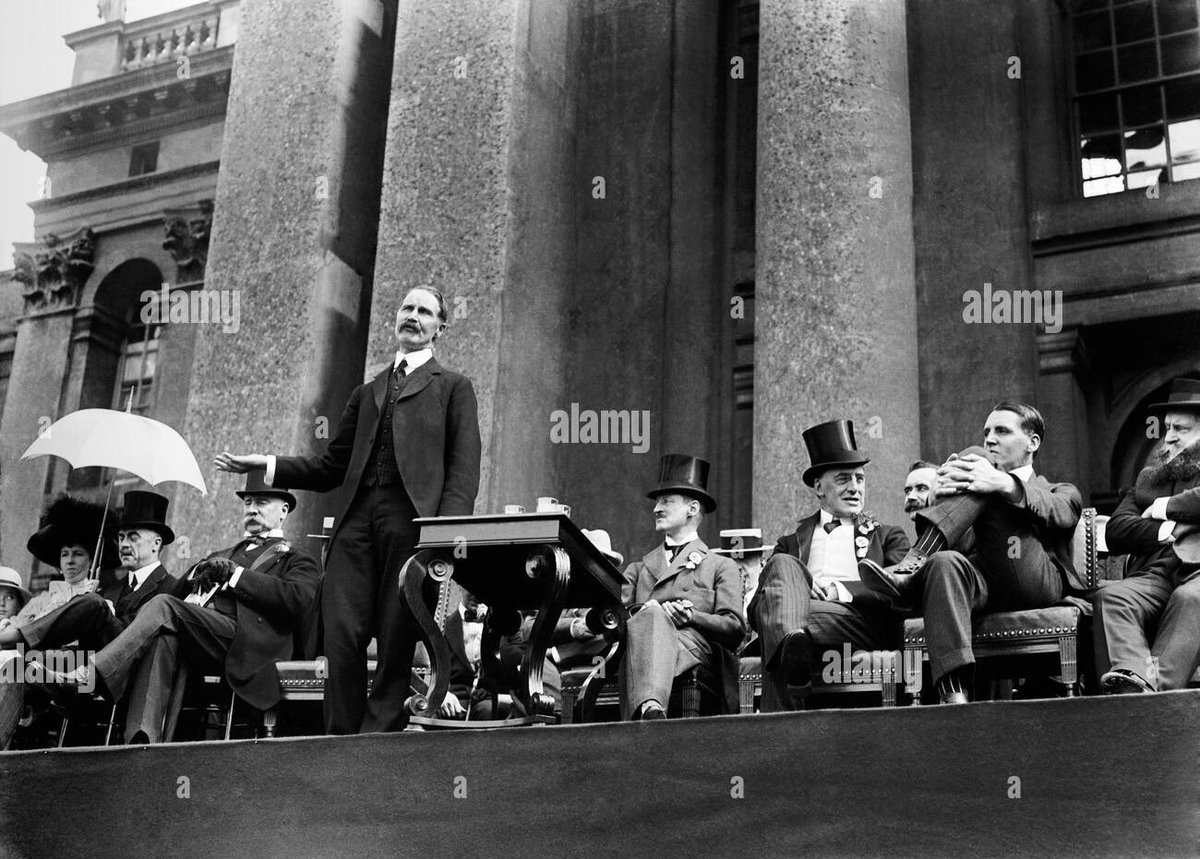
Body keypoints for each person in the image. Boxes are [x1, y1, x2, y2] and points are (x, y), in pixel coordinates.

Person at [214, 286, 482, 734]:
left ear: (441, 327)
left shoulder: (453, 387)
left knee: (398, 635)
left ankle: (376, 739)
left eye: (424, 311)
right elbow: (329, 466)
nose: (412, 317)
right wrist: (268, 464)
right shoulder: (368, 391)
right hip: (356, 524)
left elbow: (463, 470)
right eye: (406, 308)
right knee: (341, 633)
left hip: (412, 524)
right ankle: (340, 737)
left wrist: (444, 538)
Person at [46, 472, 321, 744]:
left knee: (166, 608)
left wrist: (237, 575)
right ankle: (143, 741)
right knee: (164, 633)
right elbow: (174, 592)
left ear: (284, 510)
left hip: (249, 644)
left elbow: (298, 599)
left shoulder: (296, 557)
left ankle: (90, 675)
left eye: (261, 503)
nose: (251, 510)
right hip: (206, 635)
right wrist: (196, 574)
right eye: (248, 503)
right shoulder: (221, 554)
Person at [860, 402, 1082, 703]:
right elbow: (959, 547)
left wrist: (1004, 484)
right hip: (983, 582)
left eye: (1002, 431)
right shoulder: (975, 483)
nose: (991, 438)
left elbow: (1066, 514)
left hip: (1033, 582)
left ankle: (911, 566)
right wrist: (939, 497)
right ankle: (954, 697)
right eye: (987, 431)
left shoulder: (1058, 489)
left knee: (977, 460)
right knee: (944, 562)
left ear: (1032, 443)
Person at [749, 420, 910, 710]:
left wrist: (838, 590)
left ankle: (776, 736)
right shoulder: (790, 543)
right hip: (803, 623)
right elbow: (756, 607)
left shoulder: (887, 536)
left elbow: (903, 590)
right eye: (843, 479)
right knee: (783, 569)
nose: (855, 488)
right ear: (819, 487)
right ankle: (793, 644)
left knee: (777, 617)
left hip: (858, 624)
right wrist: (803, 588)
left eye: (860, 478)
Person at [619, 454, 744, 720]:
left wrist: (692, 616)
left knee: (653, 616)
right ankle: (652, 709)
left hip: (694, 651)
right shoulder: (638, 569)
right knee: (651, 615)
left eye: (666, 501)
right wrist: (648, 613)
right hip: (638, 648)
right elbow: (615, 617)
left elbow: (734, 629)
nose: (656, 509)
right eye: (656, 502)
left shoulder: (720, 566)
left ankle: (649, 710)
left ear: (692, 508)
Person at [1094, 378, 1200, 693]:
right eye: (1167, 429)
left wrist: (1165, 507)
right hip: (1158, 572)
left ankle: (1155, 699)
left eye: (1181, 429)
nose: (1168, 439)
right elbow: (1116, 530)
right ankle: (1133, 679)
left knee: (1191, 598)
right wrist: (1170, 529)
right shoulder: (1149, 480)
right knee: (1112, 597)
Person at [713, 528, 771, 612]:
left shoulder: (770, 601)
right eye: (731, 560)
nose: (738, 567)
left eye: (745, 560)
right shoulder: (714, 601)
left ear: (762, 564)